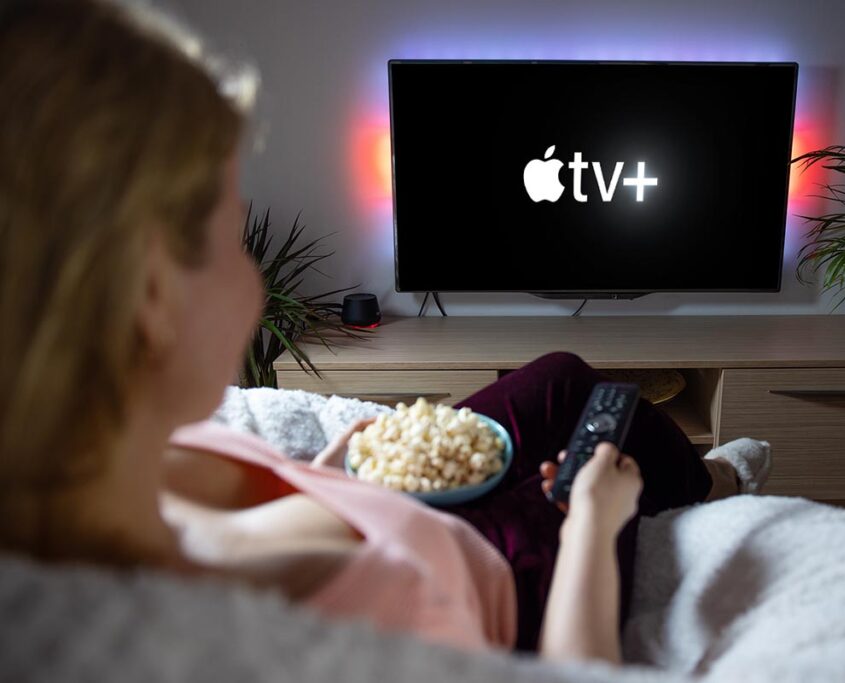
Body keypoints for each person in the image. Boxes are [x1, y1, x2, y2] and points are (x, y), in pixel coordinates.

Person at [0, 0, 767, 666]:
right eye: (235, 239)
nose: (260, 279)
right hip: (500, 574)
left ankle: (706, 476)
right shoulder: (247, 619)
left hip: (397, 506)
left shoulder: (119, 458)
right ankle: (720, 485)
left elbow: (261, 524)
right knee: (603, 443)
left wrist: (338, 474)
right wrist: (596, 523)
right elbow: (577, 672)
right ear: (153, 296)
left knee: (566, 378)